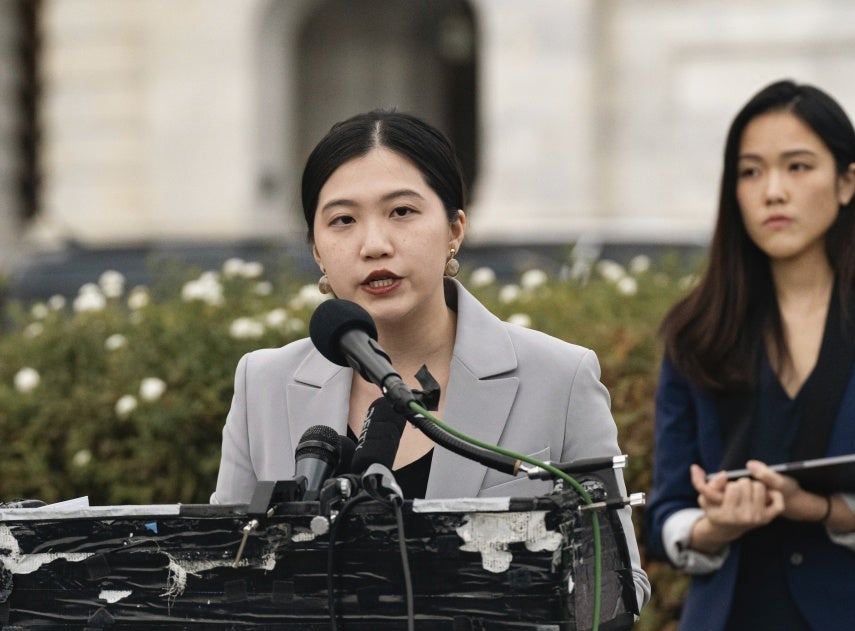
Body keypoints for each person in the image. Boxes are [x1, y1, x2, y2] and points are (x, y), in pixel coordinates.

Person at [211, 109, 650, 610]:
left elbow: (618, 591)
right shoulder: (262, 384)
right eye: (343, 220)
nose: (374, 245)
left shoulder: (560, 377)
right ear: (316, 249)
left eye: (402, 212)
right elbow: (221, 576)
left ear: (455, 229)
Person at [645, 79, 855, 630]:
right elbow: (665, 515)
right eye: (751, 171)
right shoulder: (696, 329)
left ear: (848, 181)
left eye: (798, 166)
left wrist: (820, 508)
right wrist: (717, 526)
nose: (773, 191)